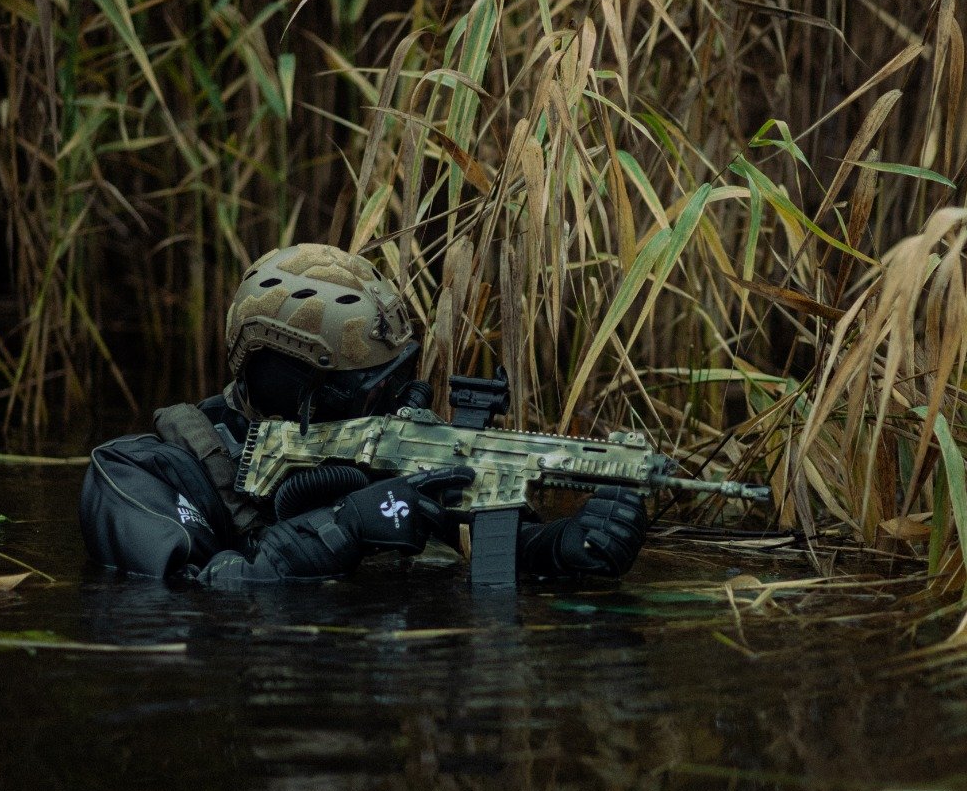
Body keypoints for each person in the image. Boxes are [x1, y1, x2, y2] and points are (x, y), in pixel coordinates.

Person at [79, 243, 647, 587]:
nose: (399, 404)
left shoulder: (378, 448)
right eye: (373, 390)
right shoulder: (138, 477)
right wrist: (344, 527)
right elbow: (185, 601)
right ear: (292, 390)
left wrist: (565, 547)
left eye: (403, 378)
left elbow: (478, 555)